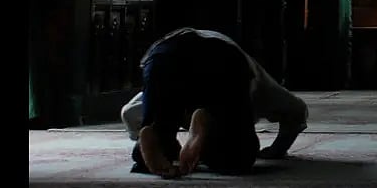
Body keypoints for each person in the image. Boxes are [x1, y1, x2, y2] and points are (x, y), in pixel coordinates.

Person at [120, 27, 309, 178]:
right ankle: (206, 120)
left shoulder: (143, 98)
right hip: (221, 59)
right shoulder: (259, 80)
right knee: (239, 158)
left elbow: (128, 113)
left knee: (153, 141)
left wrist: (152, 130)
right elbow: (297, 110)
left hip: (161, 57)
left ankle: (155, 132)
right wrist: (277, 149)